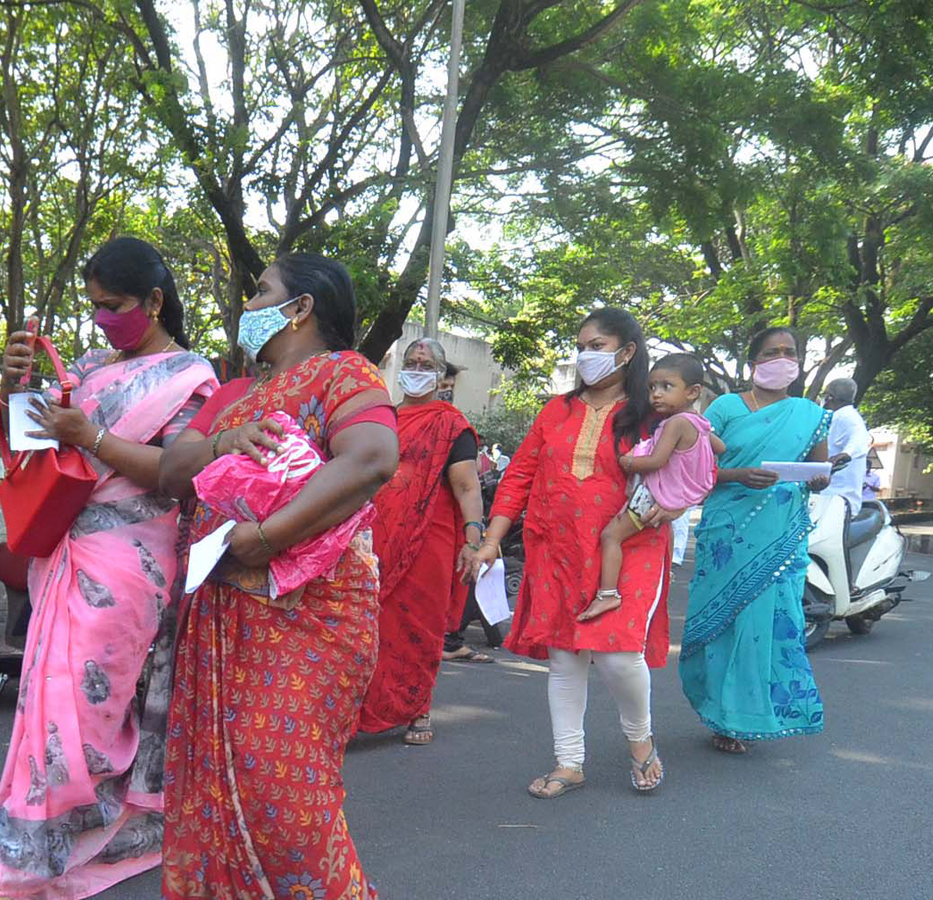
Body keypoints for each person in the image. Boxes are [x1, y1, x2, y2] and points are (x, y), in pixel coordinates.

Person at [0, 237, 219, 900]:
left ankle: (95, 836)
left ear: (154, 302)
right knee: (52, 706)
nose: (101, 319)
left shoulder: (192, 376)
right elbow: (28, 449)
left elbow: (178, 478)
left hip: (133, 562)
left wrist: (91, 437)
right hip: (66, 555)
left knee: (90, 711)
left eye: (112, 306)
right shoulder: (84, 367)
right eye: (93, 306)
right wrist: (13, 386)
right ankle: (28, 858)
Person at [157, 252, 397, 900]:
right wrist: (220, 444)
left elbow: (374, 457)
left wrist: (267, 537)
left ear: (301, 307)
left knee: (280, 791)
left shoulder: (343, 374)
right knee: (221, 779)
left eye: (263, 292)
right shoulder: (240, 396)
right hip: (223, 612)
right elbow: (168, 470)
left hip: (311, 612)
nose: (251, 304)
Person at [470, 308, 678, 797]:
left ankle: (640, 740)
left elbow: (694, 465)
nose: (586, 355)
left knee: (619, 656)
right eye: (582, 345)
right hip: (557, 547)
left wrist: (675, 505)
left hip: (630, 544)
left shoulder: (655, 413)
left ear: (627, 352)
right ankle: (570, 762)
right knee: (565, 660)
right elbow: (519, 475)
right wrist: (492, 539)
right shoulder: (556, 411)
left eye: (598, 345)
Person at [680, 327, 832, 755]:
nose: (781, 359)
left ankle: (752, 717)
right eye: (771, 353)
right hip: (728, 533)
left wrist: (819, 480)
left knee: (769, 625)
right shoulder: (726, 407)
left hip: (782, 537)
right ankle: (722, 716)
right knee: (724, 624)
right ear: (753, 363)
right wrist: (737, 475)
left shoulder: (809, 414)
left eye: (789, 352)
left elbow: (818, 477)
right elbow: (695, 468)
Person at [356, 338, 484, 744]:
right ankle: (359, 714)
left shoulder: (451, 425)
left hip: (428, 542)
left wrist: (473, 538)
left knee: (419, 628)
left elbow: (466, 487)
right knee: (366, 628)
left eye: (425, 364)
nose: (415, 368)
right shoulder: (384, 419)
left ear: (441, 375)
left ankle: (418, 708)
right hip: (375, 538)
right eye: (410, 362)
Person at [579, 353, 724, 622]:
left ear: (693, 391)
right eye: (652, 388)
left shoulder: (676, 423)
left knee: (611, 536)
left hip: (653, 495)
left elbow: (656, 460)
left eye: (666, 387)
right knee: (663, 531)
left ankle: (607, 593)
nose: (656, 395)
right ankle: (665, 570)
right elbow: (720, 447)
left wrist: (628, 462)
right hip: (676, 498)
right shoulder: (699, 422)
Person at [820, 377, 871, 515]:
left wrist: (846, 454)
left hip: (838, 500)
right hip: (827, 497)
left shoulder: (848, 417)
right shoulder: (837, 417)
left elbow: (859, 438)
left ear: (830, 397)